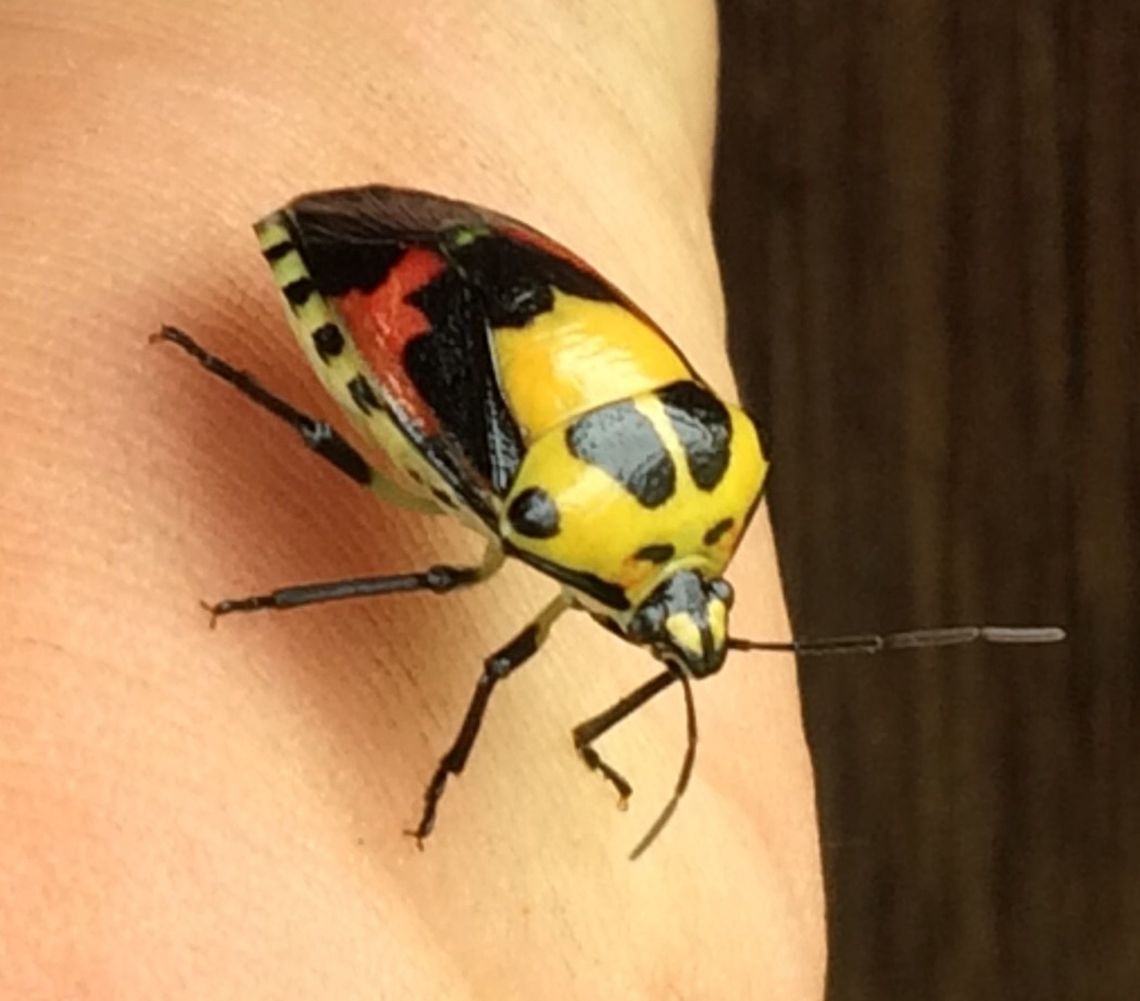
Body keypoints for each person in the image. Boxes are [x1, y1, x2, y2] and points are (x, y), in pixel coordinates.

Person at [0, 2, 825, 996]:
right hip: (394, 305)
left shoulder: (671, 504)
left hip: (478, 275)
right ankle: (233, 418)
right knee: (375, 491)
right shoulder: (561, 532)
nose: (689, 634)